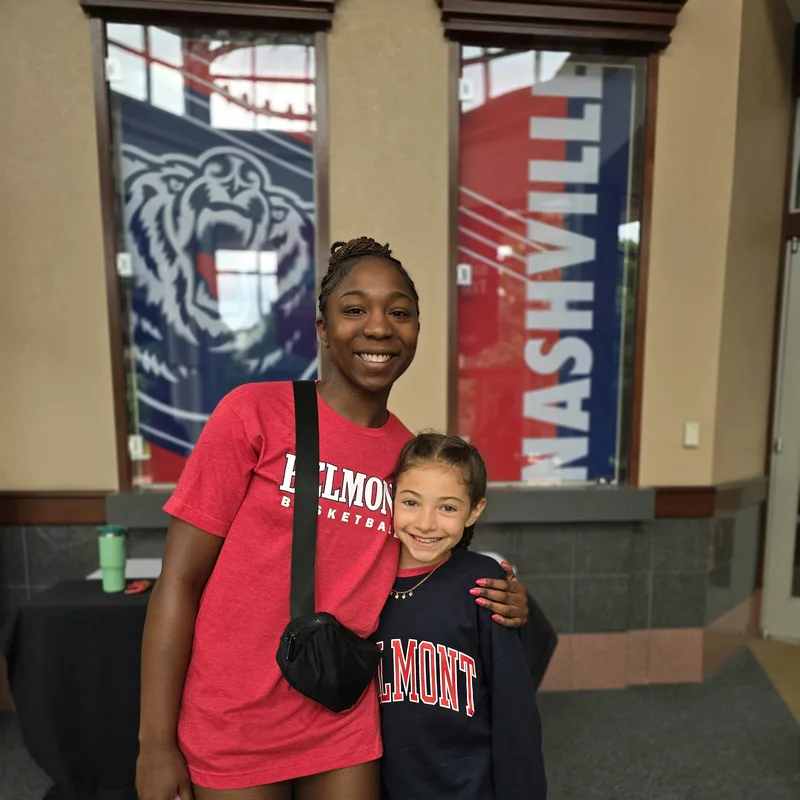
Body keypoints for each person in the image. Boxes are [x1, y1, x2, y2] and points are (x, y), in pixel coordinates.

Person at [135, 237, 532, 800]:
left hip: (342, 713)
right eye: (354, 309)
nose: (379, 327)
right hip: (233, 720)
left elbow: (426, 563)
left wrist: (502, 594)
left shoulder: (407, 460)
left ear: (417, 330)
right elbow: (178, 581)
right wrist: (155, 744)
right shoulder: (253, 414)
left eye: (399, 312)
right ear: (323, 328)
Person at [375, 433, 547, 800]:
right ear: (391, 496)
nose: (426, 523)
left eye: (448, 508)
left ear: (474, 511)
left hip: (467, 787)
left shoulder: (484, 586)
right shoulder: (364, 578)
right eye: (411, 502)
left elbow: (514, 709)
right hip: (381, 785)